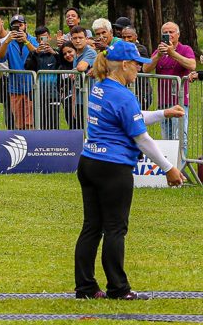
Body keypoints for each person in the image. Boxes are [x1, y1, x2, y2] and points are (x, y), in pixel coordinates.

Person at [74, 40, 185, 300]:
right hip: (113, 168)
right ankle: (118, 289)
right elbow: (142, 138)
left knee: (91, 227)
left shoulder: (101, 87)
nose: (139, 69)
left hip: (89, 162)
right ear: (124, 65)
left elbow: (130, 115)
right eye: (137, 64)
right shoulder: (123, 94)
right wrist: (169, 168)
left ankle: (85, 288)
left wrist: (163, 113)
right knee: (115, 228)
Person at [143, 21, 196, 161]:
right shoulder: (159, 50)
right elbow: (145, 69)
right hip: (163, 102)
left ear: (178, 34)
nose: (168, 35)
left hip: (179, 101)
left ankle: (181, 165)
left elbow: (192, 64)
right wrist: (158, 56)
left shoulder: (185, 49)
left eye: (171, 32)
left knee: (180, 136)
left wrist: (173, 53)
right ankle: (171, 166)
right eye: (165, 33)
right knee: (166, 137)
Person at [0, 14, 39, 130]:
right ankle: (23, 144)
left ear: (25, 25)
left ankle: (32, 144)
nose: (18, 28)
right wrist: (6, 42)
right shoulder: (8, 42)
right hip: (15, 87)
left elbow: (38, 55)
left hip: (32, 86)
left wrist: (26, 41)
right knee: (19, 122)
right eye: (15, 26)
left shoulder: (33, 40)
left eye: (20, 25)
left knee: (31, 121)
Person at [25, 26, 62, 129]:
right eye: (41, 39)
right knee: (39, 123)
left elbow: (64, 64)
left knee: (53, 123)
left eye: (45, 38)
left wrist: (54, 53)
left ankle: (53, 143)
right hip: (38, 94)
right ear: (37, 40)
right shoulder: (34, 54)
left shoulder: (56, 53)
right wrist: (35, 53)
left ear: (49, 37)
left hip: (54, 94)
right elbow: (27, 67)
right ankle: (40, 143)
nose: (43, 41)